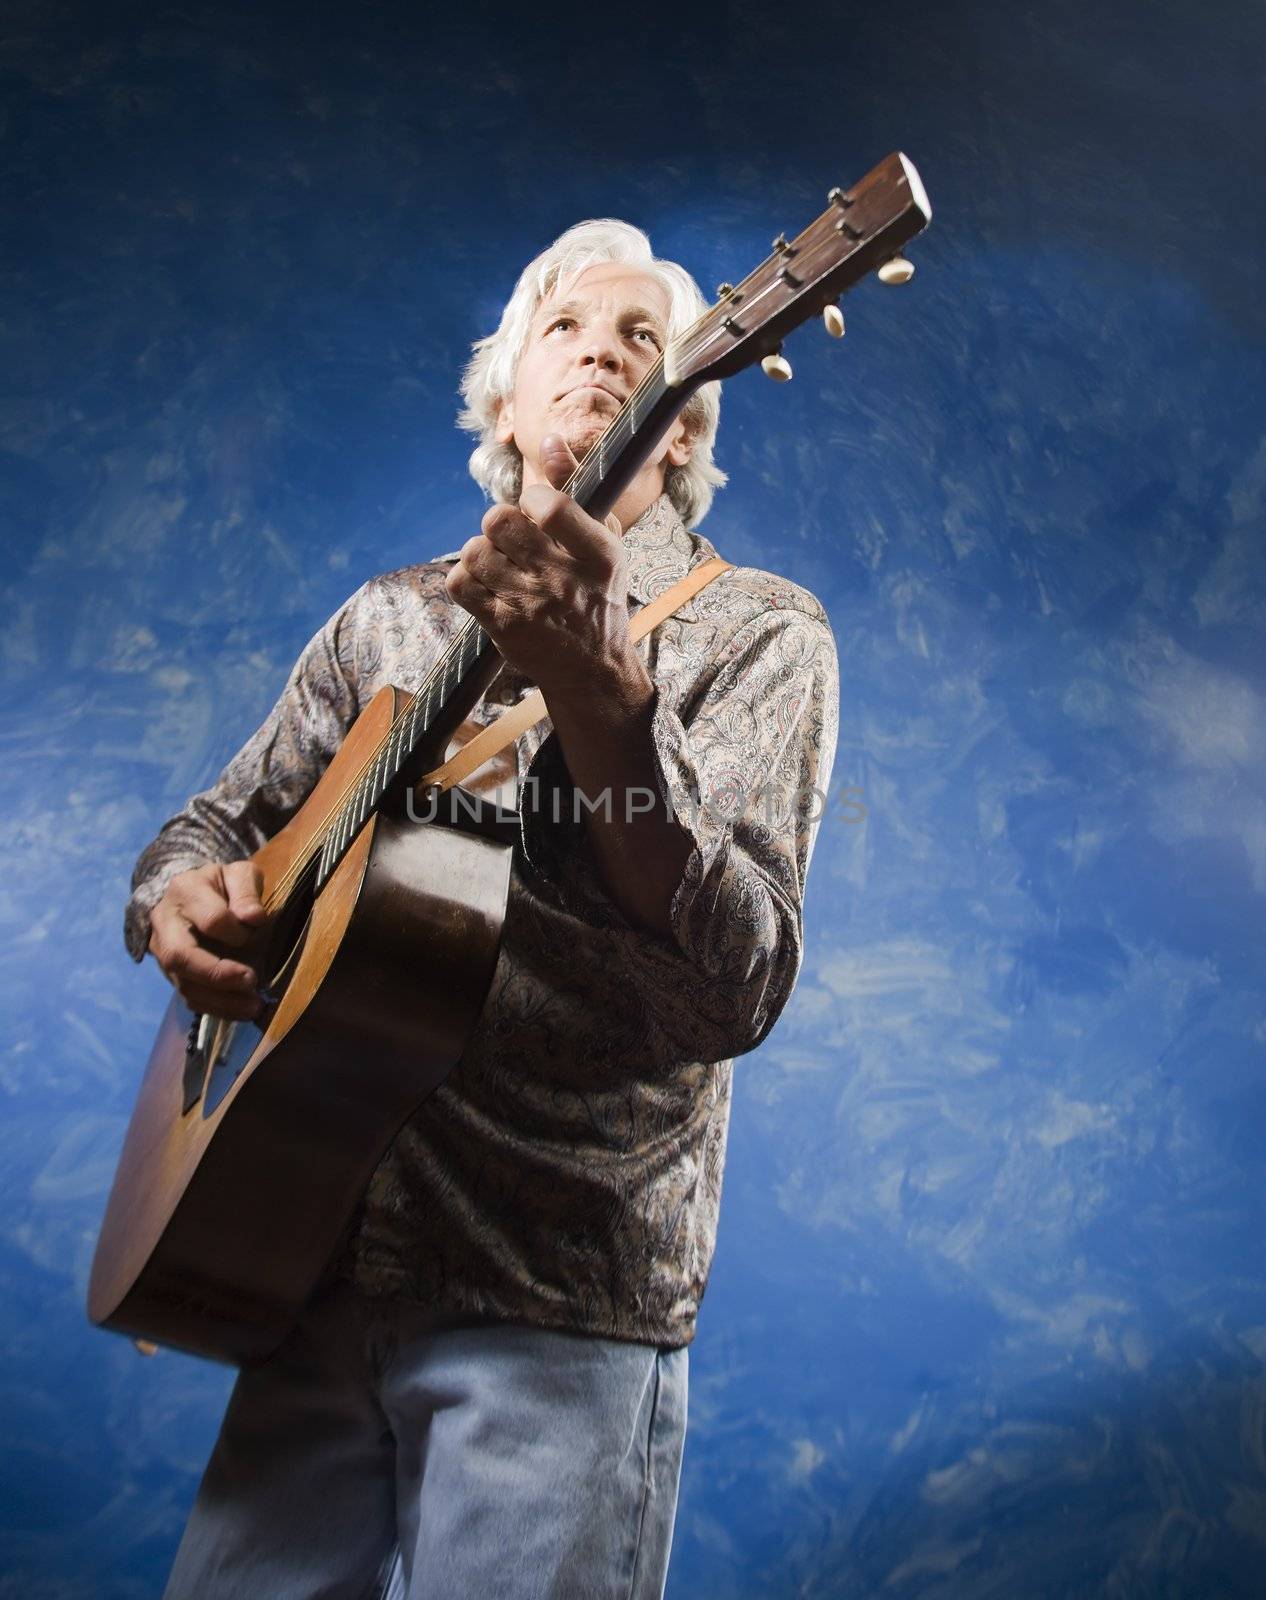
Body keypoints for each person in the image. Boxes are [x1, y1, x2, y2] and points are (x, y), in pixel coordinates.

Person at [125, 218, 840, 1600]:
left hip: (555, 1281)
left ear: (687, 425)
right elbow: (211, 831)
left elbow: (730, 987)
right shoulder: (384, 623)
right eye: (563, 331)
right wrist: (177, 898)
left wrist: (607, 699)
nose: (598, 354)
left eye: (642, 336)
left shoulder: (756, 633)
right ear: (505, 402)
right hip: (307, 1242)